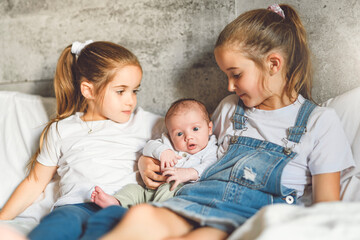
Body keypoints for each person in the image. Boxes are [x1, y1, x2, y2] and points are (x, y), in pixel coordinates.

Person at [100, 4, 355, 240]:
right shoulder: (230, 108)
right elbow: (194, 149)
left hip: (248, 216)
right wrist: (147, 159)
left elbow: (326, 208)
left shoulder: (320, 121)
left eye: (236, 75)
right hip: (199, 197)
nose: (230, 86)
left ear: (273, 64)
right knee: (141, 216)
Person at [0, 40, 163, 240]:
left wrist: (147, 159)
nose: (131, 100)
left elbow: (189, 135)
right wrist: (2, 218)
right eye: (121, 91)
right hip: (73, 208)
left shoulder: (143, 121)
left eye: (134, 90)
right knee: (56, 226)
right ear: (89, 90)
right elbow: (34, 181)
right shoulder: (62, 129)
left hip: (119, 206)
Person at [91, 98, 218, 208]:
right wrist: (163, 151)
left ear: (209, 128)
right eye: (179, 133)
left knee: (168, 190)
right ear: (170, 135)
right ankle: (116, 202)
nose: (188, 137)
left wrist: (189, 173)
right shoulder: (169, 143)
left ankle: (156, 215)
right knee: (132, 190)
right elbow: (149, 146)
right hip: (150, 190)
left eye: (195, 129)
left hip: (177, 190)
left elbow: (210, 166)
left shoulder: (210, 149)